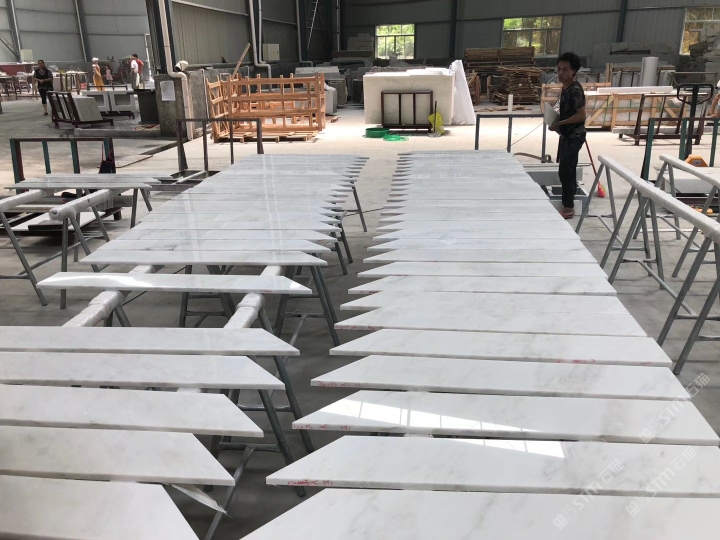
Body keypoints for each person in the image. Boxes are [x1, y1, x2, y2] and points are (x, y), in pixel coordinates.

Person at [550, 52, 587, 220]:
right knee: (565, 170)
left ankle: (568, 208)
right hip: (567, 135)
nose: (560, 73)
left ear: (574, 71)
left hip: (574, 136)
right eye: (559, 69)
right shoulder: (566, 88)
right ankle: (568, 204)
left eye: (565, 69)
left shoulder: (575, 90)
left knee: (567, 171)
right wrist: (556, 121)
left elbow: (581, 116)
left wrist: (560, 123)